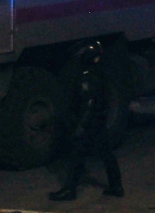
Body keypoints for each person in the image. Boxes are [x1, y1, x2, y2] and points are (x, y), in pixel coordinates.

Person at [50, 44, 123, 201]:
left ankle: (70, 189)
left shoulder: (88, 76)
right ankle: (117, 186)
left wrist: (81, 125)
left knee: (78, 154)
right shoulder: (101, 72)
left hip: (90, 122)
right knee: (105, 153)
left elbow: (88, 102)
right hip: (99, 120)